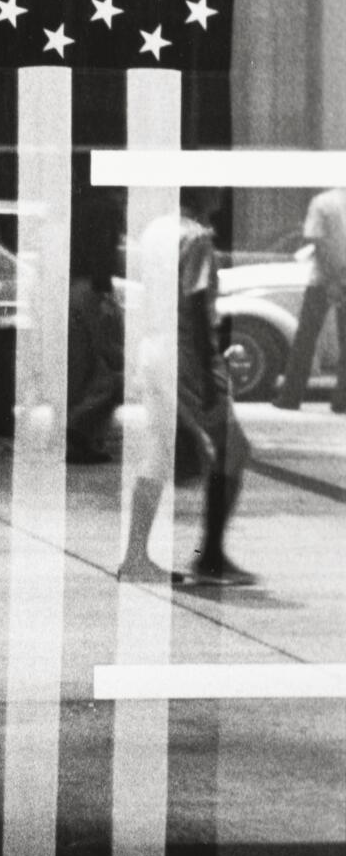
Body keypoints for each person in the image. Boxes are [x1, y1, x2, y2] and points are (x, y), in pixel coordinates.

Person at [120, 187, 256, 588]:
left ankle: (136, 556)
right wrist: (209, 381)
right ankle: (210, 556)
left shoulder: (155, 231)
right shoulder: (196, 237)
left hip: (153, 350)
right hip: (187, 355)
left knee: (158, 452)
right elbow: (196, 305)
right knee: (235, 451)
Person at [272, 185, 346, 413]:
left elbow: (318, 241)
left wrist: (333, 279)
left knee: (305, 339)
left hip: (321, 281)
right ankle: (342, 401)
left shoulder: (322, 202)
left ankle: (291, 396)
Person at [65, 192, 125, 464]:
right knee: (112, 368)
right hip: (92, 289)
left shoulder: (77, 217)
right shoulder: (102, 218)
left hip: (77, 287)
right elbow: (103, 252)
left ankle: (82, 435)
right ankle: (78, 431)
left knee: (85, 368)